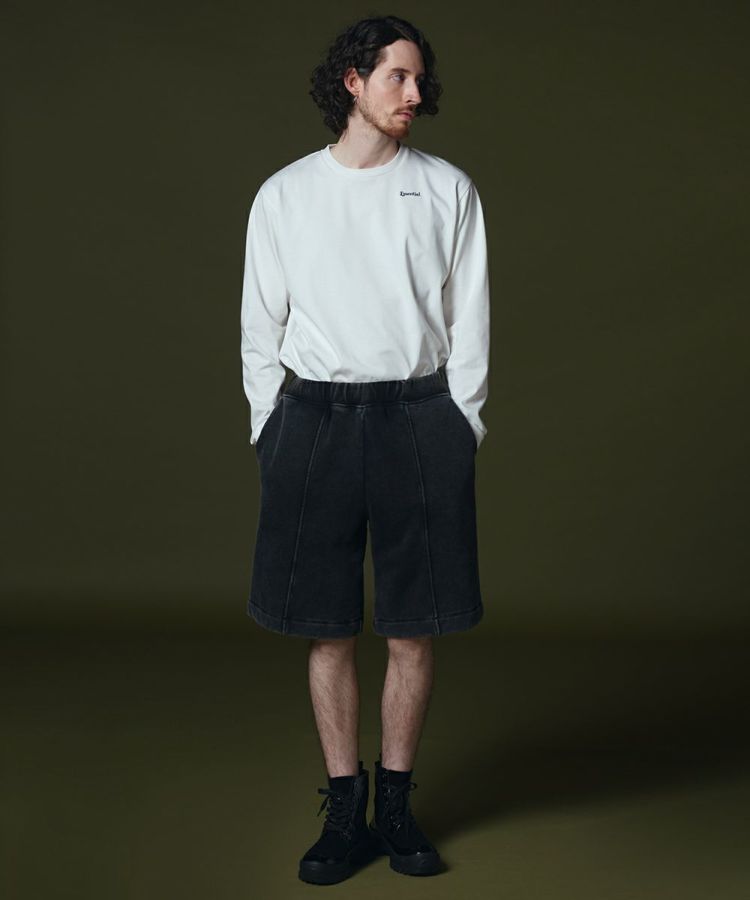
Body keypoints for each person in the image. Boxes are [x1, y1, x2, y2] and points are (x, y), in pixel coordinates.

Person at [239, 14, 490, 885]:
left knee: (415, 628)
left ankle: (397, 805)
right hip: (312, 420)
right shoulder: (285, 195)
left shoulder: (449, 190)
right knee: (327, 627)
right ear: (353, 80)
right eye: (398, 77)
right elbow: (259, 324)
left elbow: (471, 321)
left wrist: (462, 424)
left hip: (419, 417)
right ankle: (345, 810)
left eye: (420, 79)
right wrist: (270, 424)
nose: (416, 94)